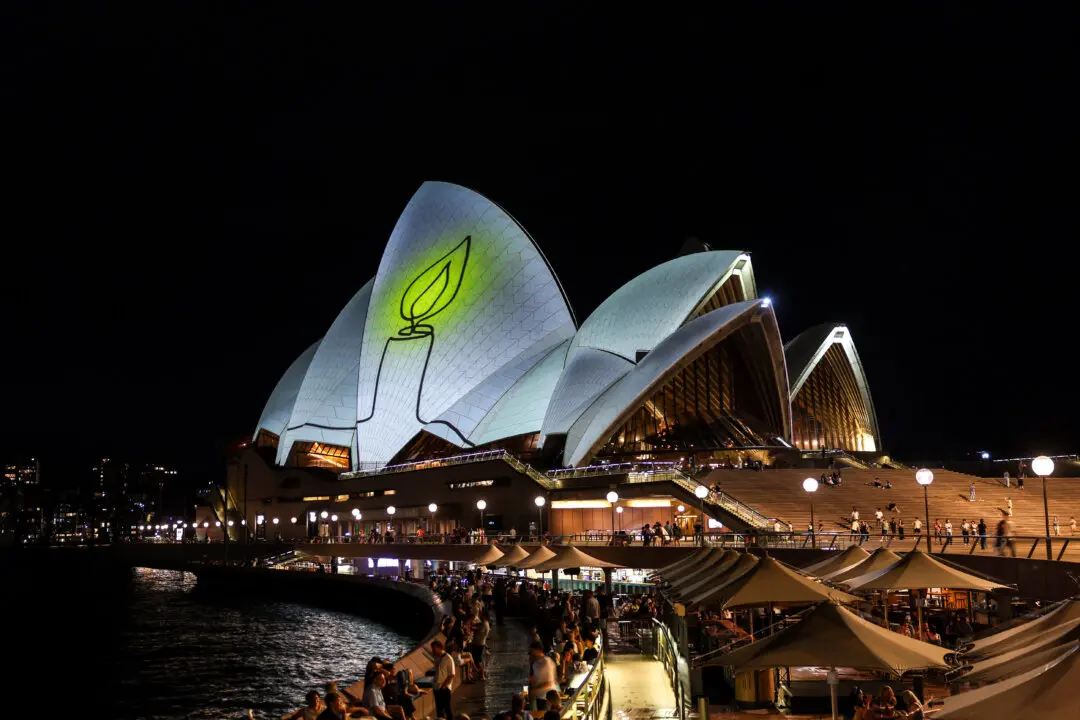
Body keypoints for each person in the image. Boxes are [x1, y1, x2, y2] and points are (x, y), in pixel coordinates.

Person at [528, 641, 557, 710]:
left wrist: (535, 689)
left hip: (546, 698)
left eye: (532, 650)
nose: (530, 653)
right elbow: (534, 680)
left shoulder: (547, 662)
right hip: (538, 697)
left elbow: (550, 682)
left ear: (538, 650)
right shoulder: (535, 663)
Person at [432, 640, 456, 719]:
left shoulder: (448, 658)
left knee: (447, 709)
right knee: (439, 710)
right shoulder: (436, 657)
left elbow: (451, 674)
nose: (433, 650)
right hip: (436, 687)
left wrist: (443, 686)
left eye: (434, 649)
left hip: (444, 688)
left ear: (440, 648)